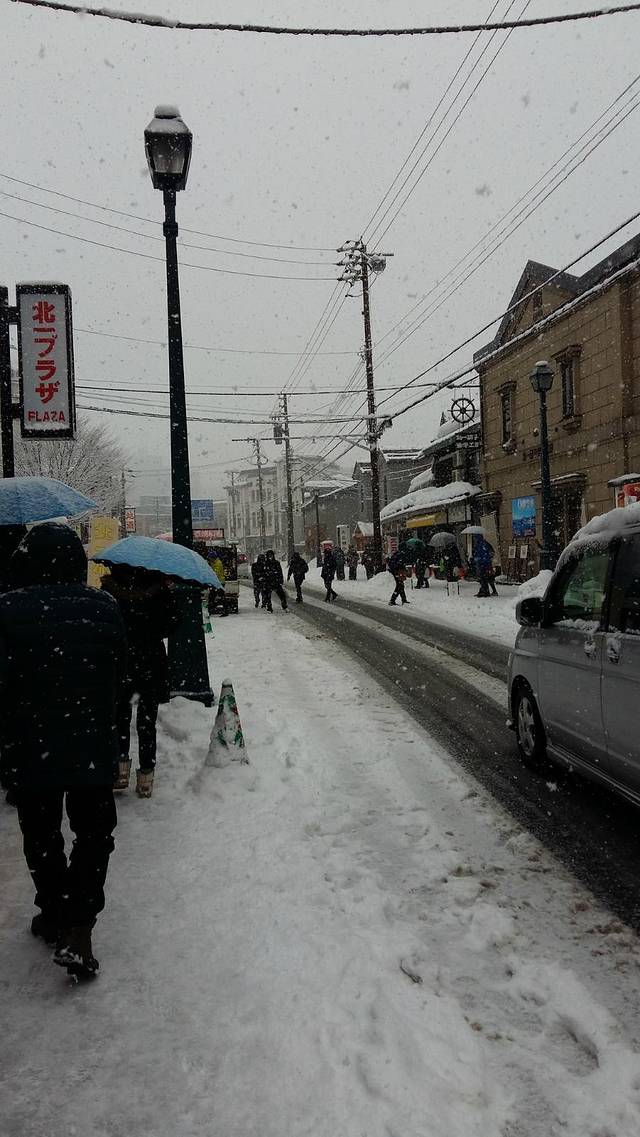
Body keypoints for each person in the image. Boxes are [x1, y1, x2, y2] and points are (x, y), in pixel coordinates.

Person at [0, 523, 127, 978]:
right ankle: (79, 924)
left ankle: (53, 911)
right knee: (94, 835)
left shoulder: (7, 609)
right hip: (92, 742)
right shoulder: (104, 607)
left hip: (30, 745)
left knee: (41, 835)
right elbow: (121, 673)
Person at [102, 564, 182, 798]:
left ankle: (120, 768)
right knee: (147, 721)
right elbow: (173, 622)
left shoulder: (110, 590)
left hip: (122, 659)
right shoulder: (158, 590)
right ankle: (146, 775)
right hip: (150, 660)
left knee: (120, 715)